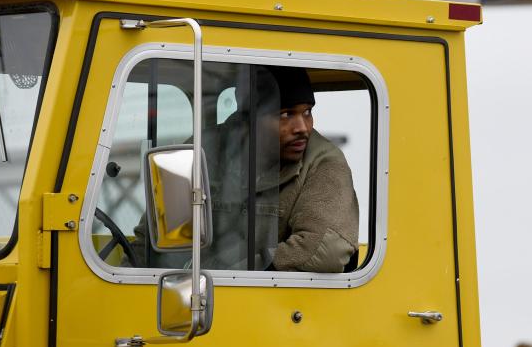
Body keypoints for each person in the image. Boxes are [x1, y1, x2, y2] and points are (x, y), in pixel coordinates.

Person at [127, 65, 359, 273]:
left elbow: (327, 248)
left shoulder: (323, 162)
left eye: (307, 112)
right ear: (248, 120)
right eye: (285, 115)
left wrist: (233, 274)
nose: (302, 127)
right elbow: (153, 235)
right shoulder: (204, 150)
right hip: (193, 299)